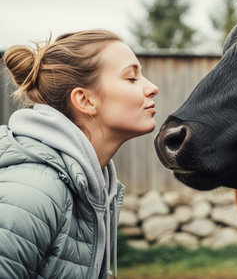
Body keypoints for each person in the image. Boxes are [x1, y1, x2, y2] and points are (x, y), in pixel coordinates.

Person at [0, 29, 159, 278]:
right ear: (85, 100)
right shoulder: (35, 191)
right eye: (132, 78)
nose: (152, 88)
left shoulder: (88, 185)